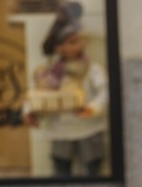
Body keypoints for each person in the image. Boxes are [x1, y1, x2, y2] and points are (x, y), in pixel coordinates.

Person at [23, 2, 110, 177]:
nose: (73, 46)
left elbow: (105, 91)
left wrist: (93, 108)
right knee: (61, 168)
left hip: (89, 128)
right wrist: (29, 111)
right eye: (69, 42)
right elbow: (38, 93)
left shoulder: (91, 68)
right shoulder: (50, 72)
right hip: (61, 128)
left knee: (94, 167)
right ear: (58, 47)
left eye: (76, 41)